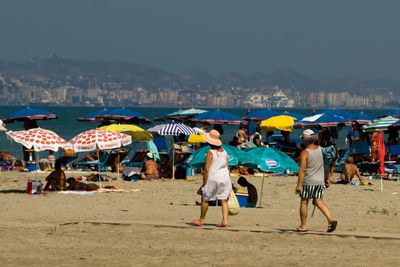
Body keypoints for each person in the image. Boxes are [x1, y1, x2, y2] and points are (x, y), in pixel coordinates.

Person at [295, 129, 337, 233]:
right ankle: (330, 219)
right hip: (320, 181)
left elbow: (302, 170)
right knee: (318, 201)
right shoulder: (321, 150)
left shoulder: (305, 153)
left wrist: (299, 185)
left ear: (305, 140)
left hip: (309, 181)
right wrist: (326, 178)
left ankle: (303, 225)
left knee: (304, 202)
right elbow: (325, 166)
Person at [192, 129, 232, 227]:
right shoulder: (224, 152)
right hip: (225, 177)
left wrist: (205, 183)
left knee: (206, 198)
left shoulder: (210, 152)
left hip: (214, 177)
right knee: (224, 199)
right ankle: (225, 221)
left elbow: (206, 169)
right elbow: (227, 167)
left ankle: (201, 220)